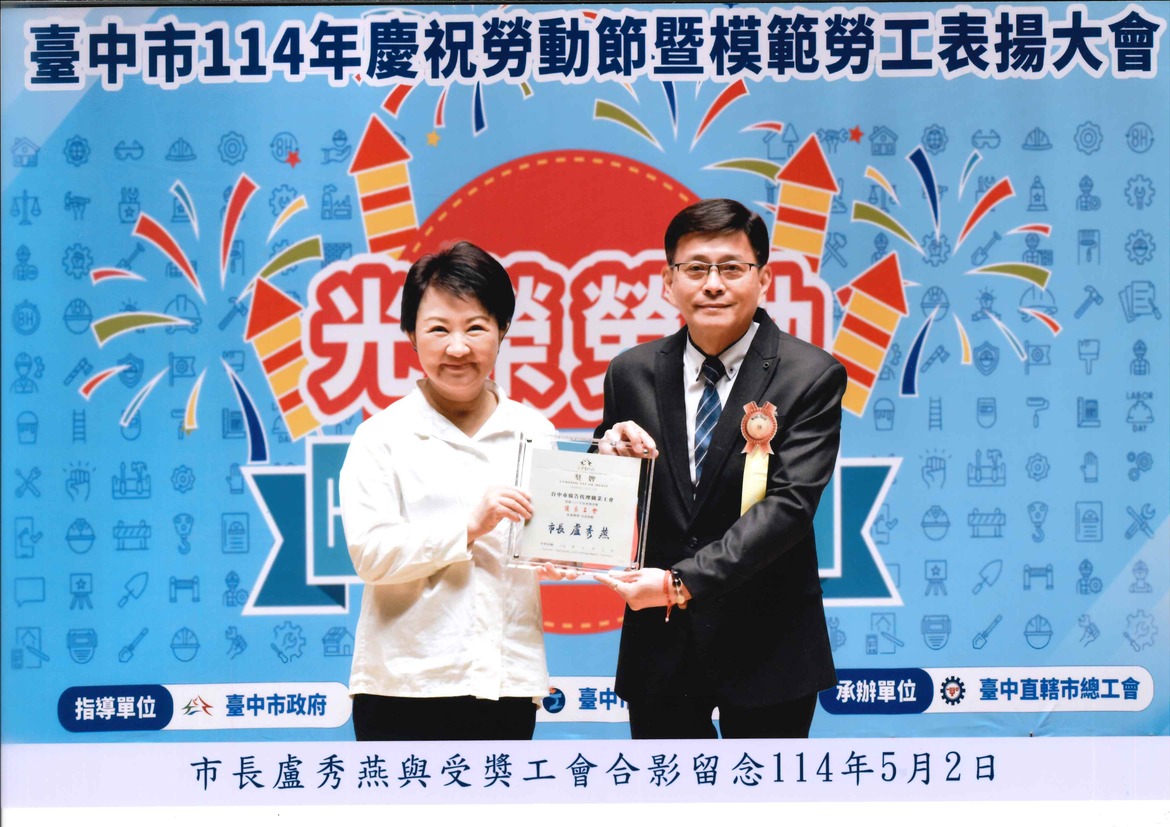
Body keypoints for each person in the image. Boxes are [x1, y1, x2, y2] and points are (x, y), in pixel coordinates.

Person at [594, 198, 846, 739]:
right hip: (661, 645)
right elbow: (610, 496)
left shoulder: (811, 374)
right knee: (665, 790)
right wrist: (605, 460)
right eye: (695, 268)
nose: (713, 284)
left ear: (764, 279)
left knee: (766, 792)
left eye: (731, 268)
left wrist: (681, 583)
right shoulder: (630, 373)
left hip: (769, 642)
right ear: (668, 282)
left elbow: (789, 506)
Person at [339, 240, 563, 741]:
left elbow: (549, 543)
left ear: (502, 331)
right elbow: (370, 556)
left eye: (476, 328)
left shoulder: (535, 431)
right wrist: (467, 528)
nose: (457, 348)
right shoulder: (380, 436)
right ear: (411, 335)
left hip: (505, 681)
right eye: (438, 329)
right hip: (402, 686)